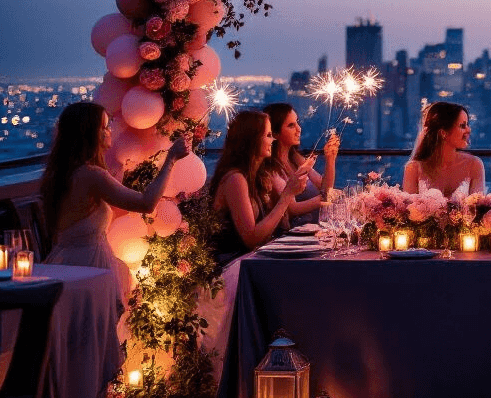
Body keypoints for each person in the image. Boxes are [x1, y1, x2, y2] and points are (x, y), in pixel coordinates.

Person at [41, 100, 189, 313]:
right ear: (91, 133)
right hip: (88, 269)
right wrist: (171, 159)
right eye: (105, 126)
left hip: (63, 263)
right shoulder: (92, 175)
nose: (110, 131)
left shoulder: (60, 174)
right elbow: (146, 203)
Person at [207, 110, 312, 267]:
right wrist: (287, 195)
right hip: (230, 267)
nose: (273, 140)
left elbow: (268, 232)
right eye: (268, 135)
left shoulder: (257, 177)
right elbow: (251, 239)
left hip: (251, 262)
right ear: (252, 139)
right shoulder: (235, 178)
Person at [263, 103, 338, 220]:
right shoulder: (270, 168)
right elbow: (292, 209)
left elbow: (325, 188)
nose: (299, 129)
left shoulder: (297, 159)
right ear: (275, 133)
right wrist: (326, 198)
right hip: (291, 236)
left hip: (314, 231)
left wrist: (330, 159)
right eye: (291, 125)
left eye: (297, 122)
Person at [403, 102, 485, 198]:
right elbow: (407, 211)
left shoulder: (474, 165)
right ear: (443, 133)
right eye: (463, 125)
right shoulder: (414, 169)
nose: (468, 130)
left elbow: (478, 207)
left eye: (467, 125)